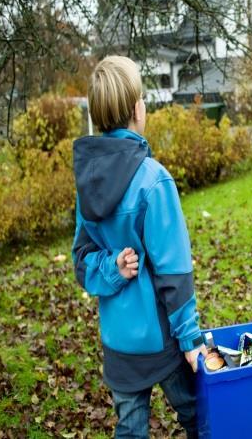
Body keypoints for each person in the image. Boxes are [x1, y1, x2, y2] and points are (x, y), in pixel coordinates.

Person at [71, 55, 207, 438]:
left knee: (130, 431)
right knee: (198, 416)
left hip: (119, 344)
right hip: (163, 342)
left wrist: (111, 267)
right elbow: (174, 272)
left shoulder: (87, 184)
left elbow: (81, 261)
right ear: (137, 110)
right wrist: (191, 339)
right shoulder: (154, 180)